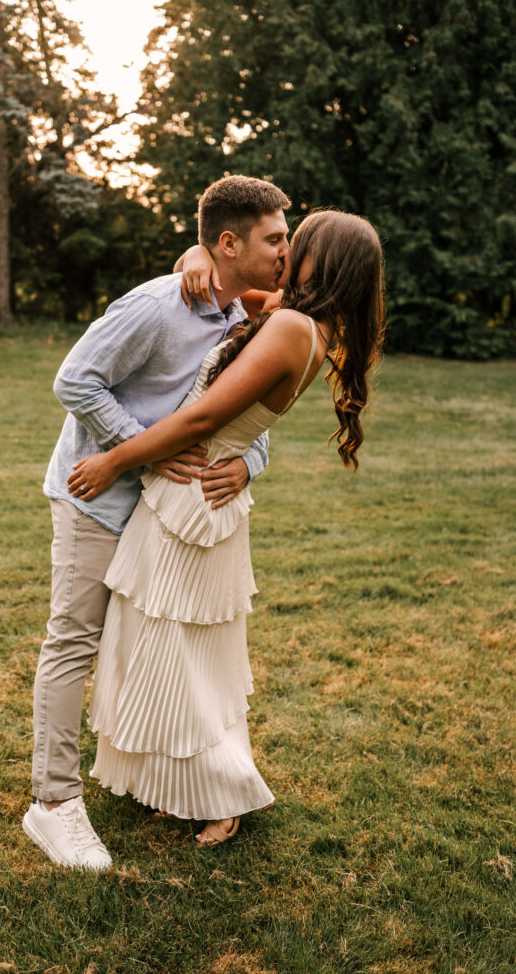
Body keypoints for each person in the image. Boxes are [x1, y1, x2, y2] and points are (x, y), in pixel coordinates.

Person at [67, 208, 386, 847]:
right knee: (162, 647)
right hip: (193, 496)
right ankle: (176, 783)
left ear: (320, 262)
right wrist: (195, 255)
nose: (282, 250)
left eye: (294, 243)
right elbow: (224, 280)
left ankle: (221, 793)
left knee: (185, 656)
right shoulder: (300, 320)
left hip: (193, 499)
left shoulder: (293, 327)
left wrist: (111, 460)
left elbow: (199, 420)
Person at [23, 175, 291, 870]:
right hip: (97, 499)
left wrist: (251, 464)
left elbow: (237, 409)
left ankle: (157, 781)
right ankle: (53, 805)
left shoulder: (245, 314)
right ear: (227, 243)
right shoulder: (154, 306)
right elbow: (74, 380)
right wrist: (138, 455)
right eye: (273, 239)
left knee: (148, 651)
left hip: (164, 521)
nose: (283, 252)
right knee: (74, 642)